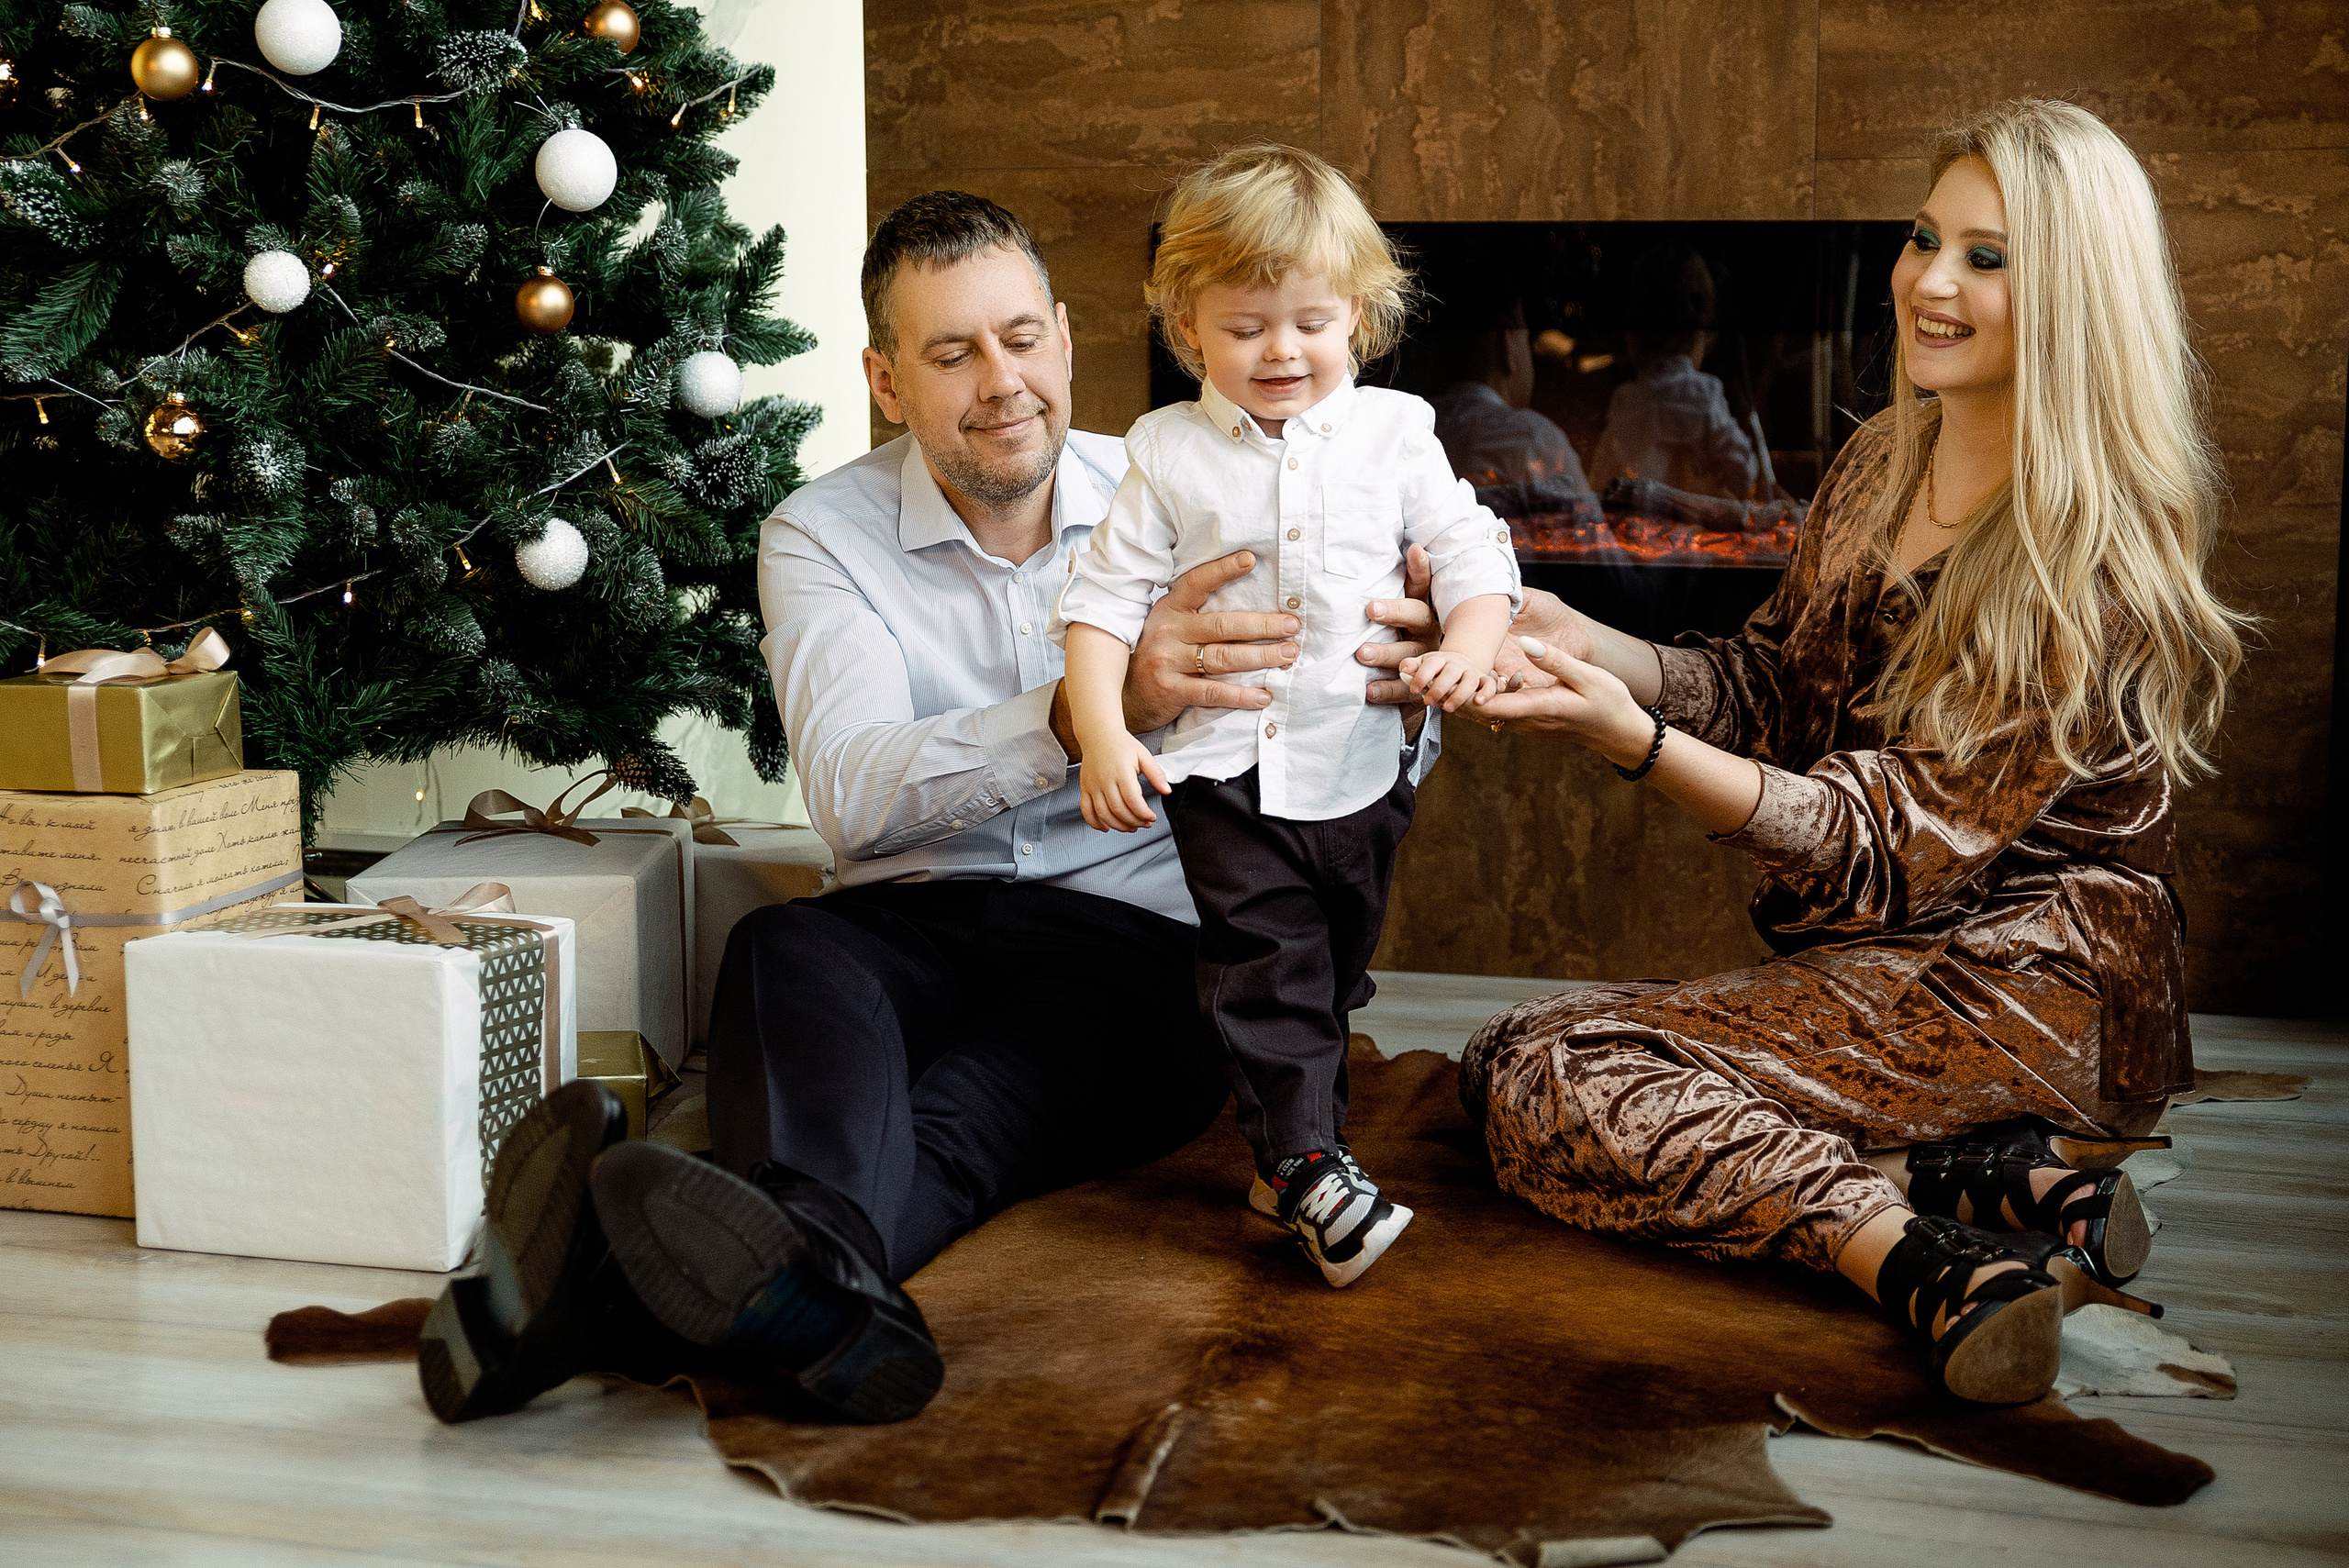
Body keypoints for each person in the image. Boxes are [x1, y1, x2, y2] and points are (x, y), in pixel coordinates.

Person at [414, 191, 1449, 1428]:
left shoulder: (1195, 491)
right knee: (782, 946)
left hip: (1135, 948)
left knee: (953, 1128)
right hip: (901, 923)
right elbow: (852, 800)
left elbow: (1350, 737)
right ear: (886, 382)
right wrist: (1090, 709)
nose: (1002, 382)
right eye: (952, 353)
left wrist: (1404, 689)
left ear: (1064, 337)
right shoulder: (820, 534)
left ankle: (609, 1292)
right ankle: (814, 1300)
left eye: (1021, 338)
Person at [1441, 100, 2248, 1404]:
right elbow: (1772, 683)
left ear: (2074, 294)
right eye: (1925, 239)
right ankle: (1981, 1174)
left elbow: (1876, 845)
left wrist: (1634, 741)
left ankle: (1914, 1257)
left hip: (2036, 984)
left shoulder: (2082, 562)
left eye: (1988, 257)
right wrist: (1585, 637)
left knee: (1560, 1074)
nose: (1930, 282)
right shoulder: (1881, 461)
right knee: (1498, 1058)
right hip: (1892, 955)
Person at [1055, 145, 1521, 1289]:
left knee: (1334, 969)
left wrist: (1466, 648)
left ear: (1355, 314)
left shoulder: (1397, 432)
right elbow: (1102, 602)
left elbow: (1471, 552)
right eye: (1245, 326)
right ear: (1186, 326)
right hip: (1225, 773)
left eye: (1309, 323)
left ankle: (1291, 1159)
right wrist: (1106, 732)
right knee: (1267, 963)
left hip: (1362, 764)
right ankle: (1309, 1168)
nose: (1280, 351)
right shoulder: (1164, 452)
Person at [1585, 242, 1760, 501]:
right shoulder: (1703, 392)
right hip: (1694, 522)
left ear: (1634, 335)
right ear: (1700, 333)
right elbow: (1742, 468)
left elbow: (1600, 477)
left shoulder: (1626, 398)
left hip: (1637, 522)